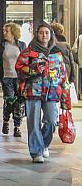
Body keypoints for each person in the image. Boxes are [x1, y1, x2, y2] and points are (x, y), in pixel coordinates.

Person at [16, 22, 71, 163]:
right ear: (37, 34)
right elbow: (19, 67)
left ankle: (44, 144)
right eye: (41, 32)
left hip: (52, 93)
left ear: (51, 35)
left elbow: (63, 76)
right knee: (33, 123)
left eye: (47, 32)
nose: (44, 35)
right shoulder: (28, 52)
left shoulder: (57, 53)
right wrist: (33, 70)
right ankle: (36, 152)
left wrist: (66, 100)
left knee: (52, 121)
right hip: (33, 92)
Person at [0, 23, 26, 137]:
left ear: (13, 33)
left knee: (19, 103)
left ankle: (17, 127)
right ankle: (6, 120)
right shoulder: (1, 45)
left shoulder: (21, 45)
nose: (4, 33)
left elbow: (26, 61)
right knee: (9, 100)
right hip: (7, 78)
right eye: (4, 31)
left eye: (7, 31)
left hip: (19, 78)